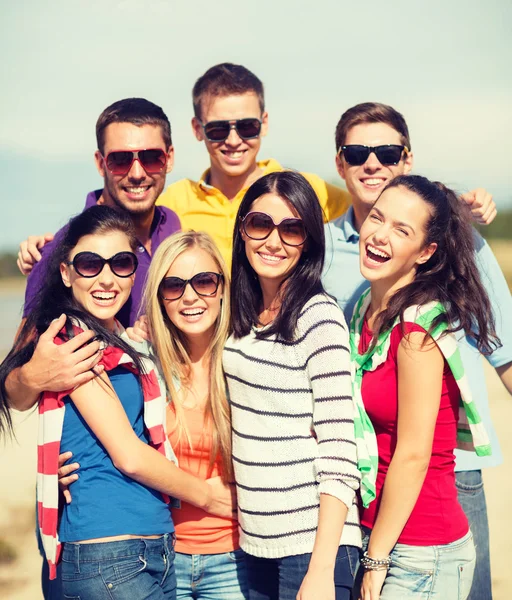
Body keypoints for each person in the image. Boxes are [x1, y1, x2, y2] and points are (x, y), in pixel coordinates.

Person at [322, 102, 512, 600]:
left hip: (439, 493)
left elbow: (505, 352)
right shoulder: (341, 270)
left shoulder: (432, 300)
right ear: (339, 162)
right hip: (372, 499)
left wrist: (377, 559)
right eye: (357, 152)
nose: (372, 163)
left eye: (386, 151)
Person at [0, 206, 233, 600]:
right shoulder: (72, 343)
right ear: (65, 272)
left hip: (144, 548)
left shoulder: (120, 341)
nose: (107, 278)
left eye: (121, 263)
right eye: (90, 264)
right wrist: (211, 496)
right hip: (109, 552)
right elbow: (129, 454)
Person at [350, 175, 501, 599]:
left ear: (426, 251)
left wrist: (376, 558)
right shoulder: (366, 308)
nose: (380, 235)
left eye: (402, 230)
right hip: (380, 532)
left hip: (421, 551)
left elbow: (414, 454)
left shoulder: (419, 326)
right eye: (377, 217)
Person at [224, 171, 360, 600]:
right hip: (254, 544)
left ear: (310, 241)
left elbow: (339, 449)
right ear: (242, 229)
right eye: (261, 224)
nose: (273, 241)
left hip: (313, 547)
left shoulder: (318, 318)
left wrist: (321, 569)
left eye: (292, 228)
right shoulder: (236, 316)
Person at [156, 63, 352, 266]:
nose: (233, 140)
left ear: (264, 123)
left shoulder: (311, 191)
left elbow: (370, 218)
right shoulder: (174, 204)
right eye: (218, 129)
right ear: (197, 129)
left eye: (247, 127)